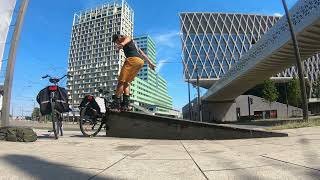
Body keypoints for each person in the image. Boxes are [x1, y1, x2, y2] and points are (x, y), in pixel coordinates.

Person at [110, 34, 156, 111]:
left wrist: (122, 44)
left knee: (121, 82)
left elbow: (127, 38)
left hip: (132, 60)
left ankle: (116, 104)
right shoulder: (134, 44)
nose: (116, 44)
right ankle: (125, 105)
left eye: (116, 42)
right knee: (127, 83)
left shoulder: (125, 38)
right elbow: (142, 53)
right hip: (140, 62)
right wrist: (150, 63)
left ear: (118, 38)